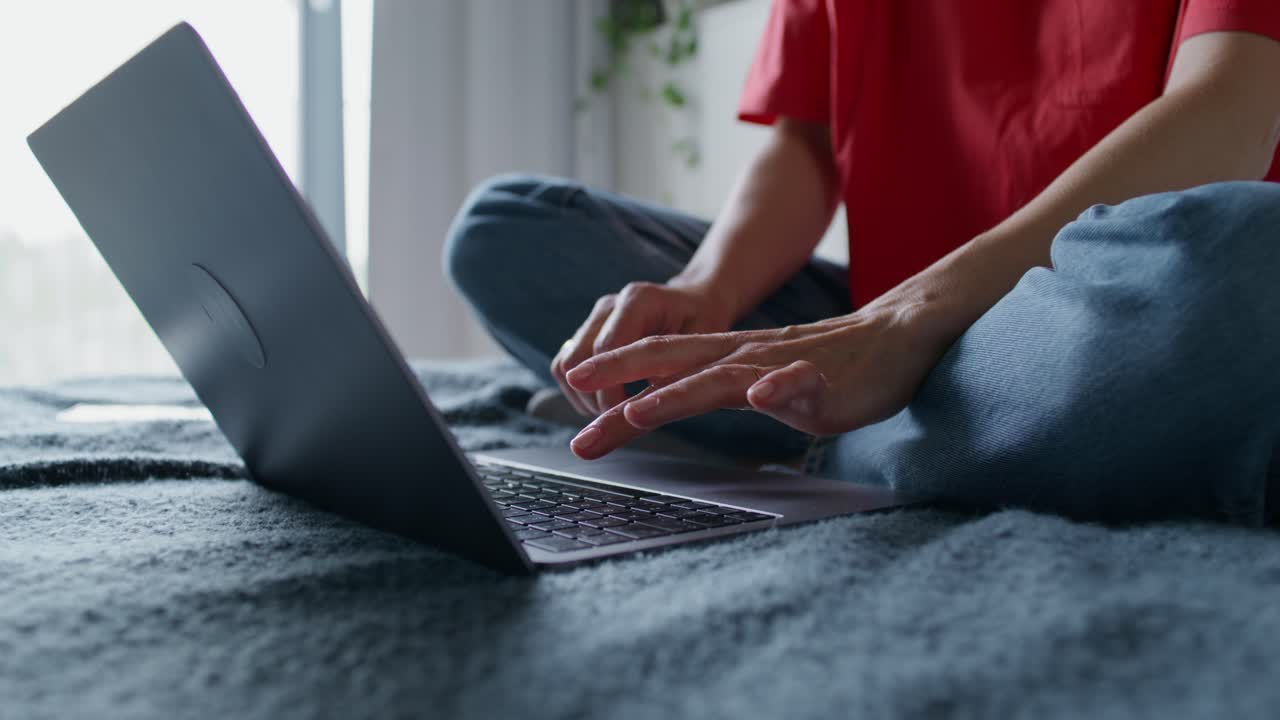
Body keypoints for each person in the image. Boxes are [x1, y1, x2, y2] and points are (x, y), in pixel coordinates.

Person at [445, 1, 1280, 525]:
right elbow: (805, 142)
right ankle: (888, 422)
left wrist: (910, 322)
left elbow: (1230, 106)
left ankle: (837, 445)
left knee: (1250, 259)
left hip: (1072, 307)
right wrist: (708, 288)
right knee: (507, 228)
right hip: (870, 322)